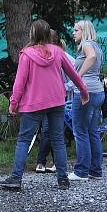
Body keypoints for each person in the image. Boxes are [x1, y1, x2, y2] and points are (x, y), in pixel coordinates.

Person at [0, 19, 89, 191]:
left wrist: (13, 103)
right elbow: (74, 74)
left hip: (33, 103)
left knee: (24, 139)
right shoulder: (58, 51)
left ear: (32, 34)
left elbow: (20, 82)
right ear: (48, 34)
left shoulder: (26, 54)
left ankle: (16, 178)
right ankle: (63, 179)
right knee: (58, 140)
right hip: (56, 101)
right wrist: (84, 92)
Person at [68, 19, 106, 181]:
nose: (73, 33)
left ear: (84, 31)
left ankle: (81, 171)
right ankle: (95, 171)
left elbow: (91, 57)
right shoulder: (97, 45)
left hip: (85, 93)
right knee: (92, 131)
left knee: (80, 131)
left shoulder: (87, 45)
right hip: (98, 92)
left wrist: (78, 76)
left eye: (76, 30)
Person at [34, 30, 73, 172]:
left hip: (62, 100)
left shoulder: (64, 56)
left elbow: (75, 77)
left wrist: (64, 87)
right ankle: (45, 163)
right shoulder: (41, 56)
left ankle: (53, 164)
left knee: (54, 132)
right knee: (50, 131)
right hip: (50, 99)